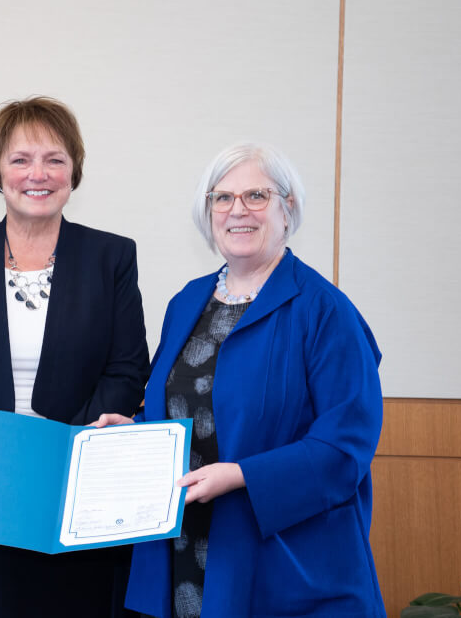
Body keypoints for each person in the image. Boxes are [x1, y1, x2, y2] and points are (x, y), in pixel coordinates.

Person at [95, 143, 384, 617]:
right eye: (222, 198)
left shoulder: (325, 311)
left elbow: (345, 447)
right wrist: (137, 433)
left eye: (256, 195)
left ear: (287, 209)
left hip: (281, 558)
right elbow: (183, 408)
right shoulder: (187, 301)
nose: (238, 210)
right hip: (185, 547)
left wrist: (243, 475)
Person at [0, 96, 150, 618]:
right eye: (20, 159)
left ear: (74, 171)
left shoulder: (111, 256)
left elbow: (129, 367)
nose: (37, 174)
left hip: (76, 482)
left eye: (54, 159)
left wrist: (63, 451)